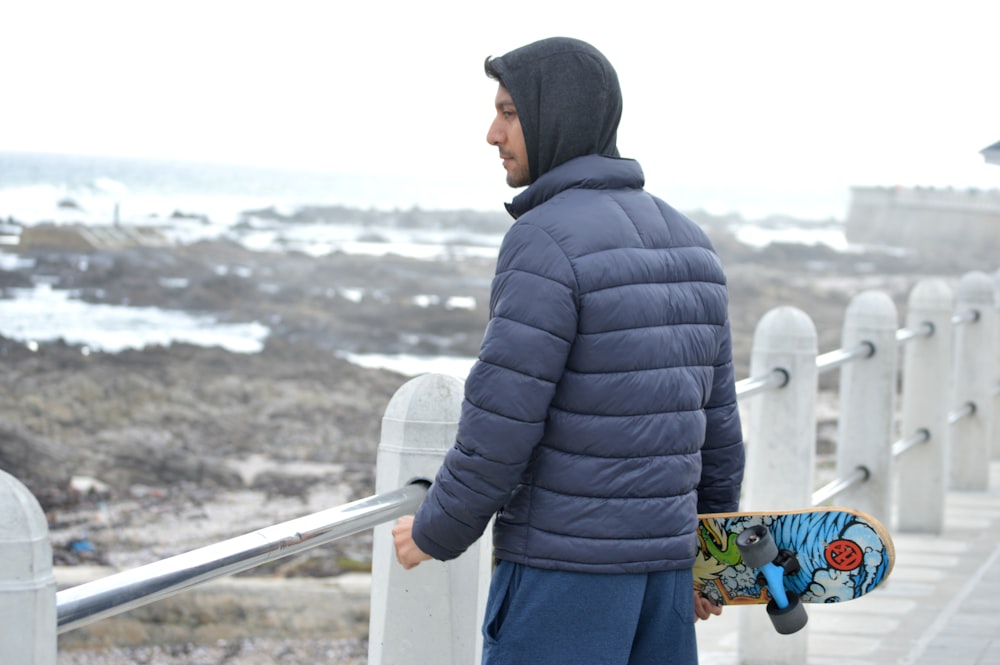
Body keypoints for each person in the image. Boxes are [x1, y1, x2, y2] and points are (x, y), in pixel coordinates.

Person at [392, 36, 745, 665]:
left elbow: (503, 417)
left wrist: (435, 528)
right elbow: (717, 427)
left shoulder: (544, 241)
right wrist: (713, 556)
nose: (491, 134)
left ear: (555, 117)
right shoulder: (692, 242)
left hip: (565, 575)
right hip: (662, 580)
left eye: (508, 113)